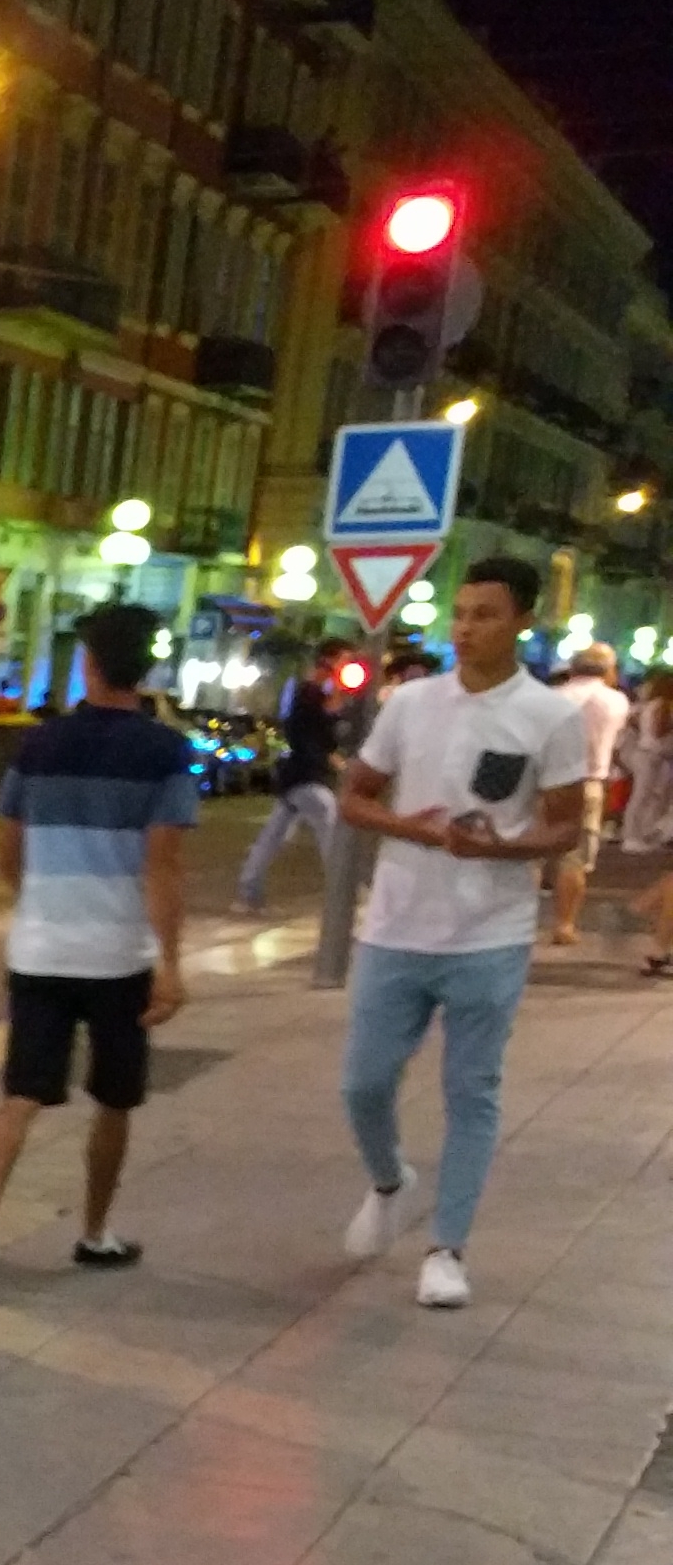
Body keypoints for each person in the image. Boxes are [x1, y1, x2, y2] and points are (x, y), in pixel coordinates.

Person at [336, 556, 590, 1311]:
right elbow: (355, 797)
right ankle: (390, 1181)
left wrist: (499, 848)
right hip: (396, 925)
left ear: (523, 623)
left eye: (486, 614)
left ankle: (447, 1249)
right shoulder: (412, 702)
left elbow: (565, 827)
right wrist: (412, 829)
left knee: (471, 1090)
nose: (467, 628)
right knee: (363, 1082)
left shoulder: (550, 716)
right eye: (461, 613)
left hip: (489, 933)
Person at [0, 605, 198, 1296]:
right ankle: (93, 1232)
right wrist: (172, 965)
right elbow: (164, 866)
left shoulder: (39, 745)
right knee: (115, 1099)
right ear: (146, 668)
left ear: (88, 665)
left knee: (20, 1095)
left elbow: (7, 845)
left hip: (41, 949)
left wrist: (37, 899)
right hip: (119, 956)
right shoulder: (165, 752)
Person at [236, 641, 349, 912]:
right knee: (330, 824)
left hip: (298, 777)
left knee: (273, 835)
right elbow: (318, 732)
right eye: (344, 660)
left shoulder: (315, 693)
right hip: (306, 776)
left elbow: (326, 733)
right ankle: (343, 891)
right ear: (328, 661)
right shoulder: (309, 692)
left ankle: (249, 893)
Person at [549, 644, 632, 946]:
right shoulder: (616, 701)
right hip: (588, 782)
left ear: (572, 668)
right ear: (609, 670)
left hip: (546, 780)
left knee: (531, 856)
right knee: (574, 857)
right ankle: (565, 924)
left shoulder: (552, 697)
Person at [621, 669, 673, 853]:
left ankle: (643, 834)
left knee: (652, 796)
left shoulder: (649, 705)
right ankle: (632, 836)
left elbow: (633, 722)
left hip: (652, 754)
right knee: (643, 795)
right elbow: (659, 730)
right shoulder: (662, 706)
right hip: (652, 755)